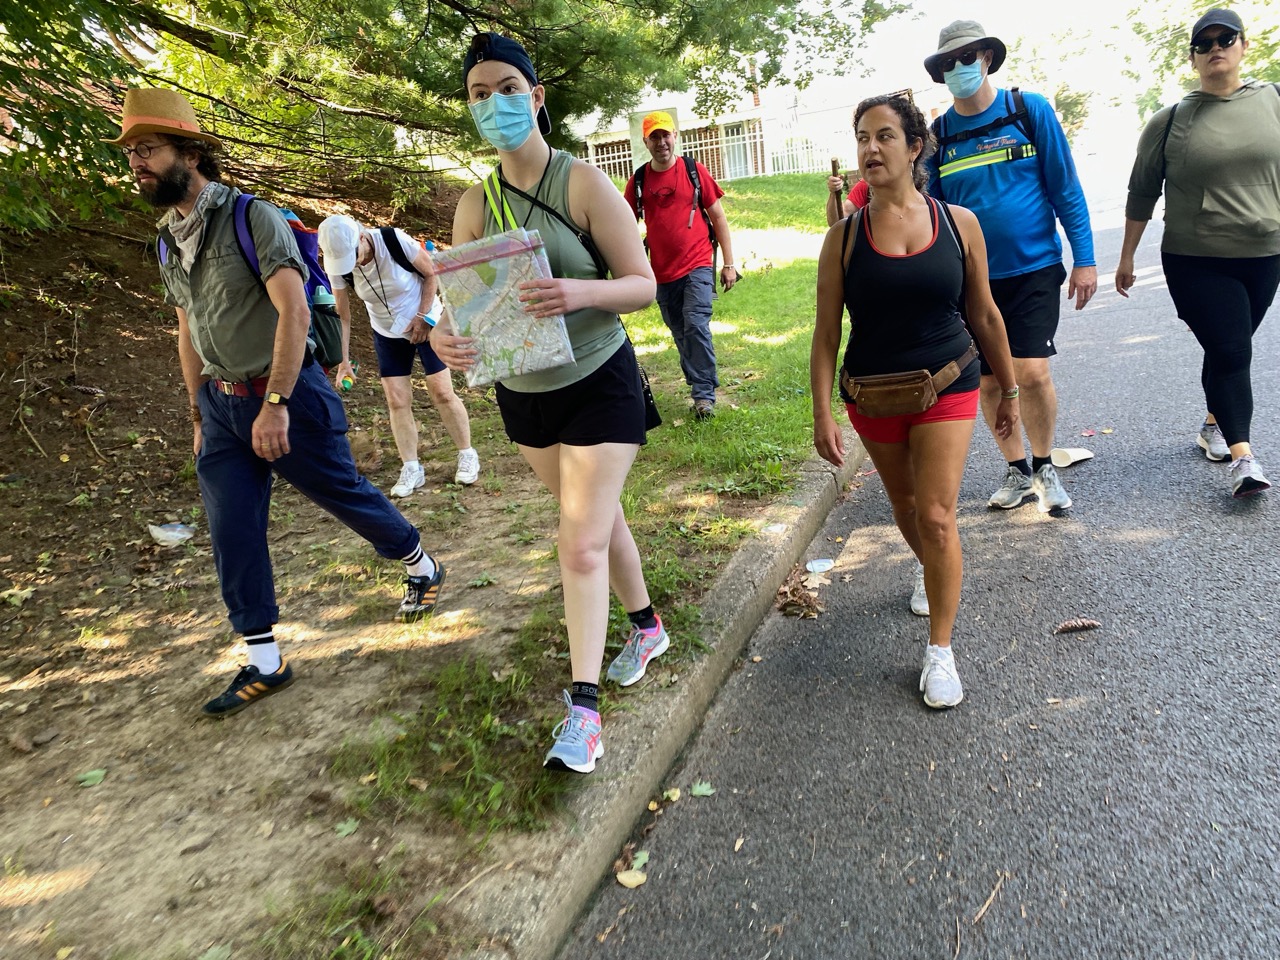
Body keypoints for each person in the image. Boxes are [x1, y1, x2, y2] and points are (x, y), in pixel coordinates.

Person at [107, 88, 446, 716]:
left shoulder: (250, 217)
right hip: (220, 405)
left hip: (287, 396)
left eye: (147, 149)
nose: (136, 163)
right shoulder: (167, 240)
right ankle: (266, 659)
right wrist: (197, 412)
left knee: (342, 493)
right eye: (130, 153)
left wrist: (277, 402)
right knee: (231, 527)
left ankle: (420, 563)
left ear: (190, 153)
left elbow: (294, 312)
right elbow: (186, 328)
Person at [432, 33, 667, 773]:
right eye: (478, 95)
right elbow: (459, 309)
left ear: (535, 97)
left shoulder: (583, 184)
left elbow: (643, 284)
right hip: (525, 397)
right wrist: (444, 338)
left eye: (506, 88)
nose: (493, 104)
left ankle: (584, 714)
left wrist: (579, 293)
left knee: (579, 543)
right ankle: (648, 627)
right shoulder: (475, 204)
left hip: (600, 382)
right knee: (596, 521)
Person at [811, 93, 1020, 709]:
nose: (870, 148)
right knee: (904, 505)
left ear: (915, 148)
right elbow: (826, 334)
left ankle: (940, 652)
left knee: (936, 514)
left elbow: (985, 313)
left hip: (949, 380)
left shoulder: (959, 224)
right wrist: (821, 411)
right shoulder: (843, 239)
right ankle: (935, 570)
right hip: (872, 394)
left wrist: (1008, 388)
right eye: (862, 138)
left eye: (884, 136)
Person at [923, 20, 1097, 513]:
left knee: (1031, 372)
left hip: (1034, 269)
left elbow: (1066, 188)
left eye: (967, 56)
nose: (959, 67)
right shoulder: (939, 137)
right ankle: (1017, 470)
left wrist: (1084, 259)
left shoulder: (1028, 110)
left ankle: (1044, 466)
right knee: (989, 381)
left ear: (987, 58)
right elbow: (932, 213)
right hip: (972, 282)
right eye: (949, 62)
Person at [1115, 7, 1279, 498]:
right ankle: (1243, 459)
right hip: (1196, 258)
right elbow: (1142, 192)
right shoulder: (1170, 120)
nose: (1215, 49)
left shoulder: (1273, 101)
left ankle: (1213, 423)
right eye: (1204, 44)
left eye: (1225, 39)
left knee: (1229, 346)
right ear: (1192, 59)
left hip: (1265, 253)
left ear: (1244, 45)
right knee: (1232, 349)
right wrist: (1126, 258)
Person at [317, 214, 481, 496]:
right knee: (397, 399)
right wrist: (343, 361)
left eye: (354, 256)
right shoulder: (339, 265)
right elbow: (343, 315)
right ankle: (411, 467)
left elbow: (431, 273)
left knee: (441, 391)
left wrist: (423, 316)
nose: (352, 264)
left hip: (426, 322)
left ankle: (467, 453)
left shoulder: (393, 241)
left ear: (362, 237)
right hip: (387, 331)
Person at [623, 111, 739, 420]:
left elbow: (718, 217)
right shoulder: (639, 181)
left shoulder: (693, 170)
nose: (661, 142)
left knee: (695, 323)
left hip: (698, 263)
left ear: (675, 136)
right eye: (655, 137)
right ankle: (698, 381)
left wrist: (729, 263)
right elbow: (624, 226)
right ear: (646, 142)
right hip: (661, 272)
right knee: (679, 331)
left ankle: (703, 395)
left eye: (666, 135)